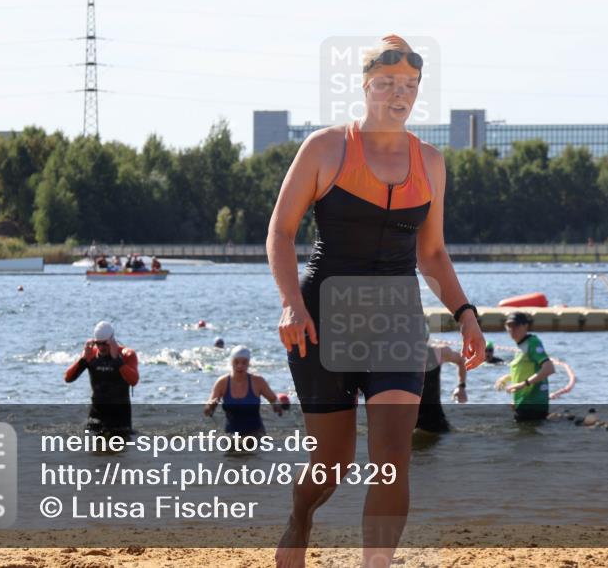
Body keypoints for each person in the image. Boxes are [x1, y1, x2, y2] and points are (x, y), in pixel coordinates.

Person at [266, 33, 486, 568]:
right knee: (332, 463)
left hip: (396, 321)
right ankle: (300, 523)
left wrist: (466, 314)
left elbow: (431, 254)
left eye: (409, 85)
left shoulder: (429, 162)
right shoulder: (326, 147)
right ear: (365, 85)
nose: (399, 94)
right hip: (323, 318)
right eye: (387, 83)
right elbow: (280, 231)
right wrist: (291, 302)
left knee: (393, 456)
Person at [64, 321, 140, 437]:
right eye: (98, 344)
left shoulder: (127, 355)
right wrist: (83, 359)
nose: (101, 348)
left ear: (112, 340)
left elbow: (134, 380)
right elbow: (68, 378)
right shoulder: (91, 354)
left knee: (120, 454)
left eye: (105, 344)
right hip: (96, 417)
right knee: (93, 453)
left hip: (120, 419)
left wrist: (117, 361)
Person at [204, 346, 283, 438]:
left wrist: (277, 406)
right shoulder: (222, 383)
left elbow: (273, 400)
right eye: (236, 362)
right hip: (231, 435)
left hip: (255, 434)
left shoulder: (258, 382)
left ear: (249, 363)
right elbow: (207, 412)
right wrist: (211, 406)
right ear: (231, 362)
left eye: (244, 362)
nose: (240, 366)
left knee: (250, 442)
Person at [493, 312, 555, 422]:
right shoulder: (520, 346)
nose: (512, 329)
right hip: (523, 403)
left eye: (516, 326)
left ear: (525, 326)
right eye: (509, 326)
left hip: (533, 404)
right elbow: (525, 371)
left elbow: (549, 368)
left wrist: (522, 385)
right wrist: (506, 378)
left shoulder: (533, 342)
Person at [415, 340, 467, 433]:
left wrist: (461, 386)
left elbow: (461, 360)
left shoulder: (438, 352)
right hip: (405, 419)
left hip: (434, 419)